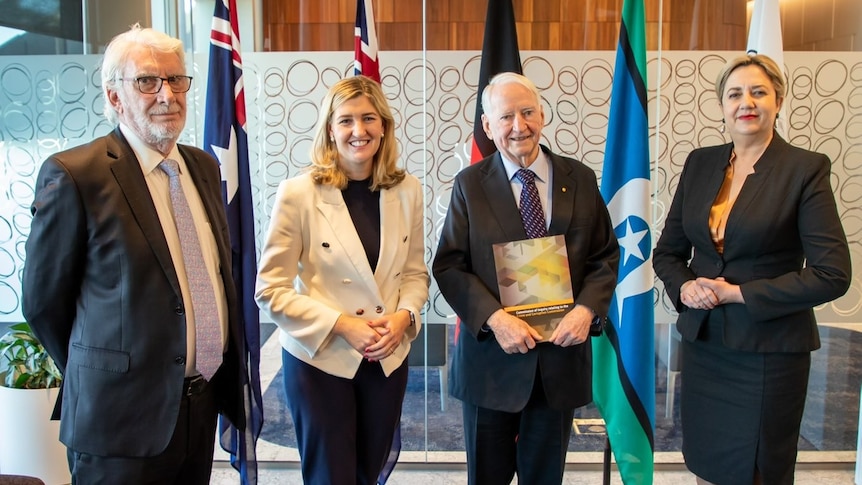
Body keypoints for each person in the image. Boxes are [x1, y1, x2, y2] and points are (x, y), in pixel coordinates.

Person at [21, 25, 247, 484]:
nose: (167, 93)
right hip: (118, 420)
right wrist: (106, 366)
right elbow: (44, 303)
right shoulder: (75, 175)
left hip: (197, 410)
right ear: (115, 96)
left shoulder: (202, 166)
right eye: (147, 81)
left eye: (176, 79)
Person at [653, 54, 851, 485]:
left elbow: (833, 273)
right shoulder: (700, 163)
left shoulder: (804, 169)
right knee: (709, 465)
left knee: (757, 472)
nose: (747, 102)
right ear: (722, 105)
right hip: (706, 347)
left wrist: (738, 293)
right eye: (735, 93)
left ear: (777, 100)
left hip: (769, 354)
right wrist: (686, 288)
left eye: (758, 92)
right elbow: (667, 254)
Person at [432, 72, 620, 484]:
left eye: (528, 112)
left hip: (558, 362)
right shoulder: (470, 186)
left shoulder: (580, 179)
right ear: (487, 126)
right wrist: (496, 320)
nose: (519, 126)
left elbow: (605, 256)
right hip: (491, 365)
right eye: (506, 117)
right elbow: (449, 265)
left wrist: (586, 311)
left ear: (543, 114)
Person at [255, 75, 429, 484]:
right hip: (320, 360)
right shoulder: (298, 193)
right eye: (346, 120)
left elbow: (415, 274)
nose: (358, 130)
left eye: (369, 118)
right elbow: (270, 290)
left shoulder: (408, 190)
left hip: (386, 359)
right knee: (330, 477)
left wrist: (404, 317)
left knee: (369, 472)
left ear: (383, 126)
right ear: (331, 130)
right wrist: (343, 325)